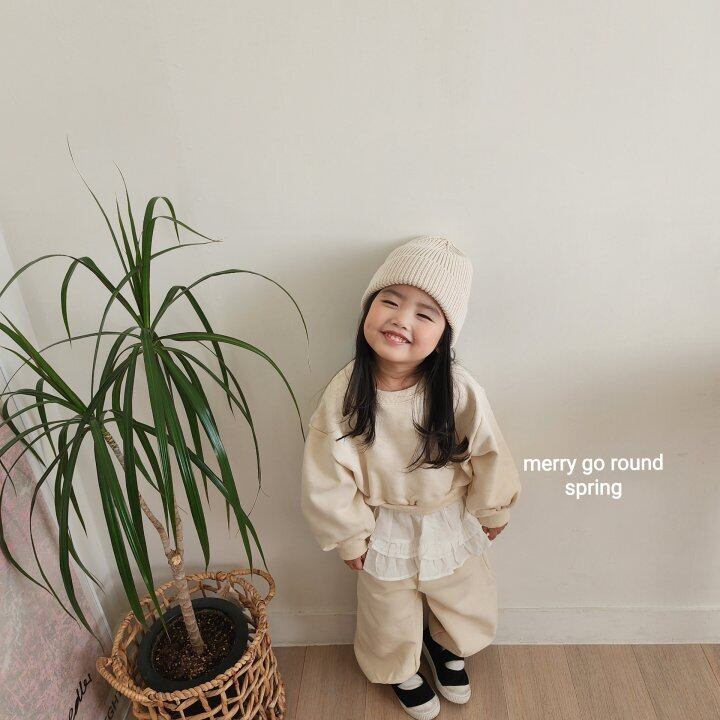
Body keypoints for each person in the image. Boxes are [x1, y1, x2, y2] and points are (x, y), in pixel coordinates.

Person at [301, 236, 522, 720]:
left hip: (449, 515)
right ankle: (398, 667)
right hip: (383, 524)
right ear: (368, 309)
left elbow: (489, 451)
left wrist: (493, 508)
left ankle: (446, 646)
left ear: (444, 335)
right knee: (386, 609)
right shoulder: (345, 392)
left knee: (462, 593)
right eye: (390, 301)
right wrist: (348, 535)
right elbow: (326, 473)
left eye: (425, 313)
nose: (402, 320)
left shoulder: (458, 390)